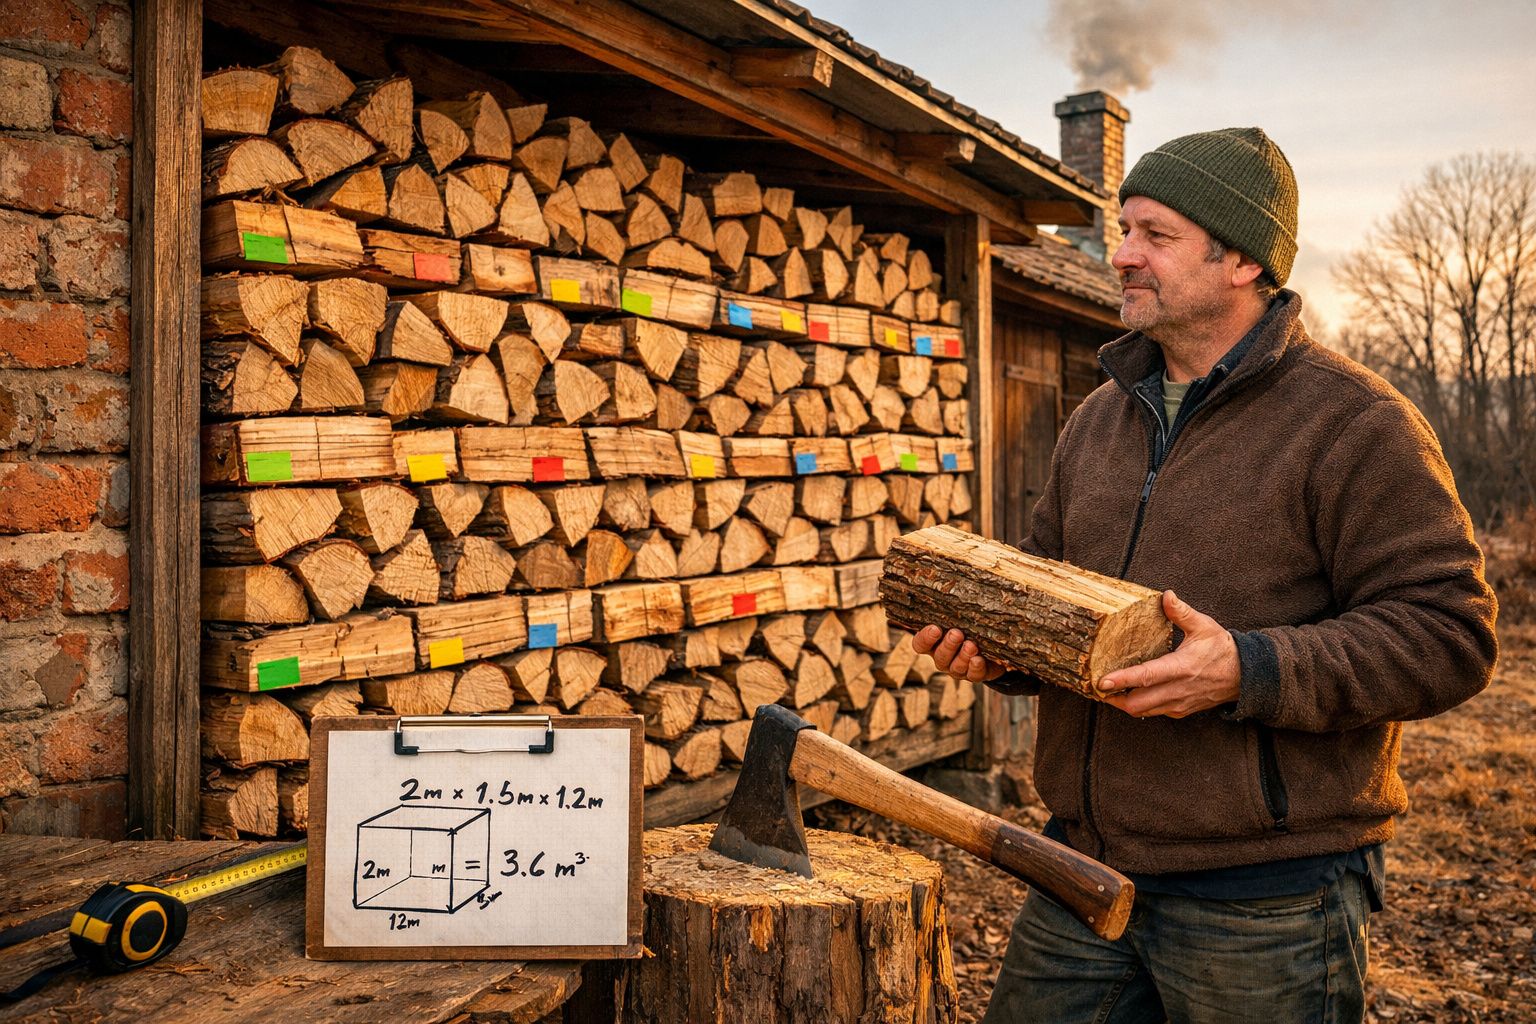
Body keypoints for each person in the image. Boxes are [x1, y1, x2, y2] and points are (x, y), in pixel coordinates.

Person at [913, 127, 1498, 1022]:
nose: (1121, 254)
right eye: (1124, 229)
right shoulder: (1099, 419)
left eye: (1155, 234)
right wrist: (1002, 652)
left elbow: (1450, 633)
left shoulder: (1354, 424)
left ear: (1241, 262)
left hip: (1268, 900)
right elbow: (1057, 597)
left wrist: (1248, 669)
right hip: (1081, 868)